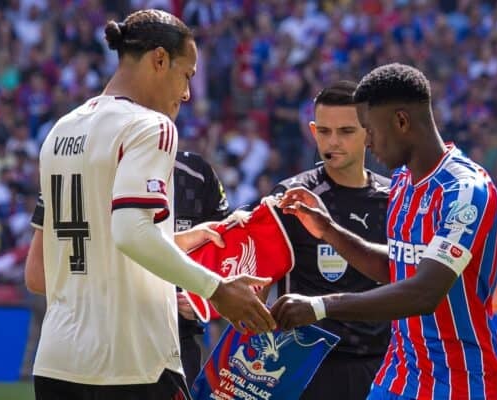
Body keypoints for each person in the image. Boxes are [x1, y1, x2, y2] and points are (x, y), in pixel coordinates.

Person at [24, 9, 274, 400]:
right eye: (186, 74)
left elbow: (45, 271)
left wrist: (177, 241)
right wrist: (217, 290)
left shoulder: (61, 129)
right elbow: (132, 231)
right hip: (133, 364)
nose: (187, 93)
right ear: (160, 60)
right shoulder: (150, 126)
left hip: (57, 363)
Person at [272, 63, 497, 400]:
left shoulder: (465, 191)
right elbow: (396, 267)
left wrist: (321, 306)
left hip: (460, 383)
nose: (367, 143)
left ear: (401, 122)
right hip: (397, 376)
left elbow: (425, 292)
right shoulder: (401, 181)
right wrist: (329, 230)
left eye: (370, 130)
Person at [267, 80, 391, 399]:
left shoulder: (393, 199)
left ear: (369, 132)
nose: (332, 142)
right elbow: (258, 276)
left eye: (346, 131)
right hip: (307, 369)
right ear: (312, 130)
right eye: (324, 131)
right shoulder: (292, 197)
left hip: (380, 367)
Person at [173, 150, 230, 387]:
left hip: (179, 339)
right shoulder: (105, 169)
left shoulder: (197, 173)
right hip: (114, 337)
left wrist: (200, 298)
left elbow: (224, 248)